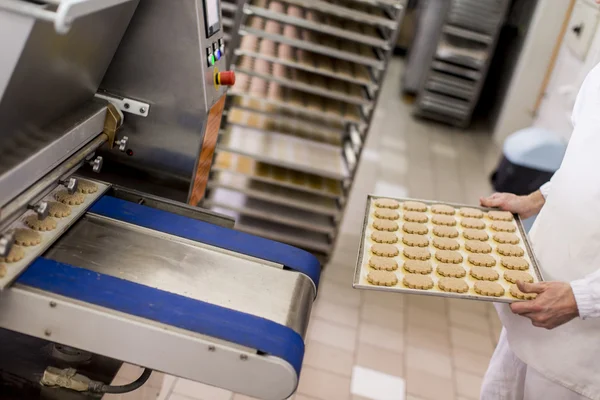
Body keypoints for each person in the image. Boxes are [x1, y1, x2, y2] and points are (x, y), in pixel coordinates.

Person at [478, 56, 600, 398]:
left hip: (584, 348)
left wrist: (581, 299)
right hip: (539, 304)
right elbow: (586, 164)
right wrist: (535, 199)